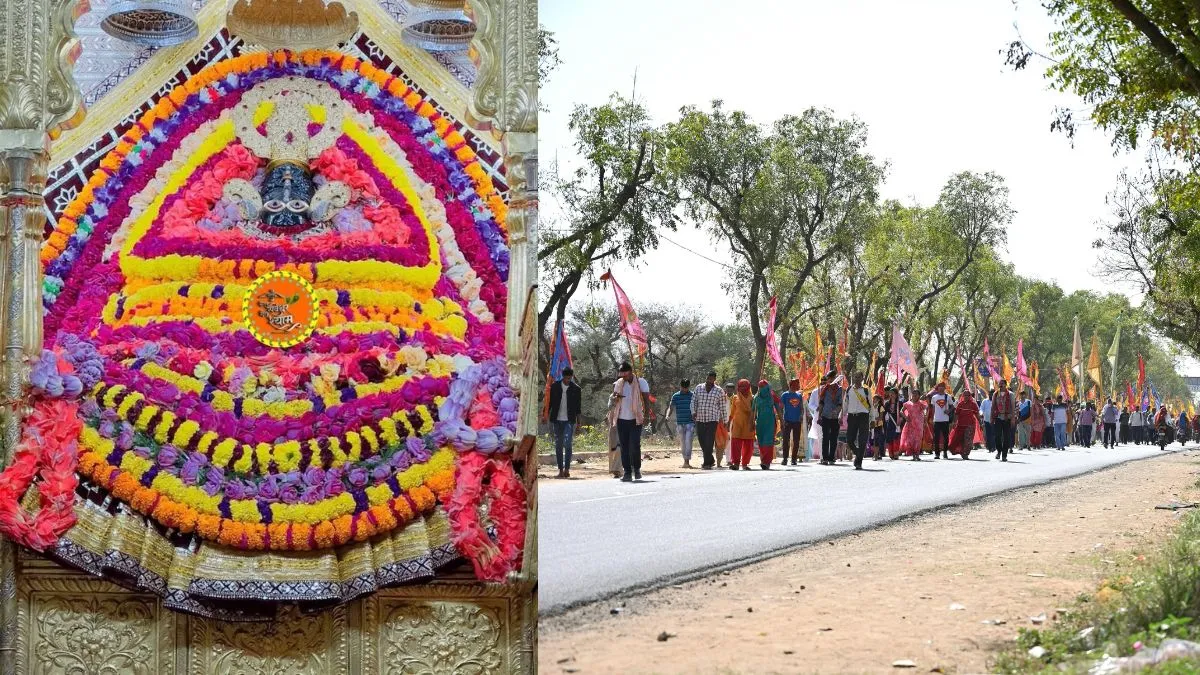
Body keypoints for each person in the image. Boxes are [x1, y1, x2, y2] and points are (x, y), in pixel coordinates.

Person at [612, 362, 650, 482]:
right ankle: (627, 472)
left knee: (634, 445)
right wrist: (615, 398)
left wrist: (647, 415)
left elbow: (646, 399)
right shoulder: (618, 384)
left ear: (630, 372)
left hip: (635, 419)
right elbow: (614, 398)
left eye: (625, 374)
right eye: (622, 375)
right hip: (621, 419)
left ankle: (637, 469)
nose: (623, 377)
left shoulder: (640, 382)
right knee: (624, 447)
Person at [690, 371, 729, 470]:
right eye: (708, 378)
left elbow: (722, 407)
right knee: (701, 441)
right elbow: (693, 401)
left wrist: (725, 421)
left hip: (712, 420)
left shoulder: (719, 391)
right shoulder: (699, 388)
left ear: (714, 379)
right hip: (700, 418)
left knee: (709, 441)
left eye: (711, 379)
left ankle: (706, 463)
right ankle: (710, 459)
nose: (709, 380)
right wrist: (693, 412)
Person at [547, 367, 581, 478]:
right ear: (563, 377)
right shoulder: (555, 387)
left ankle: (567, 470)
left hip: (569, 421)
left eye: (569, 378)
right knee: (558, 445)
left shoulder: (576, 389)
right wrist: (545, 415)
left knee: (568, 445)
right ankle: (560, 470)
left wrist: (578, 423)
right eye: (566, 378)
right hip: (557, 420)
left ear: (571, 377)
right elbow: (550, 403)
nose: (568, 380)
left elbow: (578, 408)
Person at [845, 373, 872, 469]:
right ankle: (858, 454)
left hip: (863, 416)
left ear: (862, 378)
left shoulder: (866, 390)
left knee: (862, 440)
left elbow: (871, 405)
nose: (856, 378)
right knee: (849, 439)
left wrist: (872, 419)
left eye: (858, 377)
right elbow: (845, 403)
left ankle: (858, 462)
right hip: (852, 416)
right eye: (855, 377)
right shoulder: (849, 389)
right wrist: (840, 416)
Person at [816, 371, 843, 465]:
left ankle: (831, 458)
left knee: (834, 437)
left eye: (832, 378)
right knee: (825, 437)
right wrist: (819, 415)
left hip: (835, 417)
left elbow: (840, 403)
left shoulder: (840, 390)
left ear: (835, 378)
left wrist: (837, 412)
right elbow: (821, 403)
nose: (830, 380)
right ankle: (825, 458)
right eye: (829, 378)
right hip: (825, 415)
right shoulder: (824, 389)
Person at [729, 379, 755, 470]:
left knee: (748, 445)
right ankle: (736, 463)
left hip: (749, 423)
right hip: (737, 424)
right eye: (741, 386)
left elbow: (755, 411)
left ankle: (745, 464)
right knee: (735, 444)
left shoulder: (753, 398)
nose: (742, 388)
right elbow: (732, 412)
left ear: (748, 387)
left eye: (744, 386)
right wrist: (728, 422)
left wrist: (753, 423)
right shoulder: (735, 398)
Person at [669, 379, 696, 469]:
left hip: (690, 423)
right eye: (683, 387)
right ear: (680, 386)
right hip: (680, 423)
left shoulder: (693, 395)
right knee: (683, 442)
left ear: (688, 387)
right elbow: (671, 407)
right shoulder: (675, 396)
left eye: (686, 388)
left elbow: (696, 407)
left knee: (688, 441)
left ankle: (687, 461)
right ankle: (685, 460)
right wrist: (667, 415)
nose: (684, 389)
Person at [753, 380, 780, 469]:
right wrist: (751, 423)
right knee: (761, 442)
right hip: (760, 423)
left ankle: (767, 462)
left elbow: (778, 409)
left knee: (768, 442)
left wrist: (782, 421)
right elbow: (753, 411)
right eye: (760, 387)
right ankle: (763, 460)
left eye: (763, 387)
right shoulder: (756, 397)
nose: (762, 389)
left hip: (770, 422)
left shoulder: (772, 396)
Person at [779, 379, 806, 465]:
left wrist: (801, 415)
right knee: (786, 440)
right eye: (796, 384)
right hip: (787, 420)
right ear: (791, 385)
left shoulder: (799, 395)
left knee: (796, 440)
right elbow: (780, 407)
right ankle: (785, 459)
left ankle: (794, 459)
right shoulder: (785, 395)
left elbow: (801, 408)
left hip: (797, 421)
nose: (798, 386)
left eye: (798, 384)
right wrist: (781, 420)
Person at [947, 388, 979, 458]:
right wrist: (954, 422)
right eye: (965, 395)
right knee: (960, 439)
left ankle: (966, 453)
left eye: (968, 395)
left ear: (970, 396)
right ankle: (962, 451)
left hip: (970, 425)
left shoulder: (973, 404)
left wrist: (980, 423)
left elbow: (977, 414)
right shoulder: (960, 404)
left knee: (968, 440)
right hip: (960, 425)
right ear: (963, 396)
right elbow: (956, 414)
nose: (966, 396)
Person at [991, 379, 1015, 461]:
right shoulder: (995, 394)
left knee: (1006, 437)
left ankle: (1004, 455)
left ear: (1005, 385)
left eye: (1002, 383)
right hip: (998, 417)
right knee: (997, 436)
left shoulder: (1011, 394)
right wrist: (991, 417)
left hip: (1007, 418)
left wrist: (1013, 419)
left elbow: (1013, 407)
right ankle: (999, 451)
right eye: (999, 383)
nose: (1000, 385)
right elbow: (993, 406)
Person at [899, 390, 927, 460]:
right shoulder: (907, 404)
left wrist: (925, 421)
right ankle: (913, 455)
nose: (914, 396)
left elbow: (926, 411)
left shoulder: (921, 403)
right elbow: (901, 411)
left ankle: (917, 454)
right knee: (911, 439)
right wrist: (906, 417)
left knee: (918, 439)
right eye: (913, 394)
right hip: (910, 424)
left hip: (919, 425)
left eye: (916, 394)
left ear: (919, 396)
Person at [928, 382, 952, 459]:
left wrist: (949, 411)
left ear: (944, 388)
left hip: (945, 420)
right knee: (936, 437)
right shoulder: (934, 397)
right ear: (937, 388)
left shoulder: (948, 396)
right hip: (937, 420)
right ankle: (937, 454)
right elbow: (933, 409)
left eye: (942, 387)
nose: (941, 388)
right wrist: (932, 418)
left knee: (946, 437)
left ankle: (945, 452)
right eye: (939, 387)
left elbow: (952, 406)